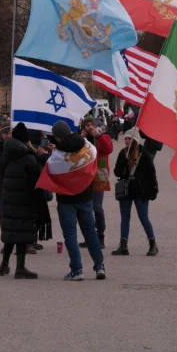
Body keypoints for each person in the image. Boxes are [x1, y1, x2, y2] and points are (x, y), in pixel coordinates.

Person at [50, 120, 106, 281]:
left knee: (70, 234)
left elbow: (52, 170)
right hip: (85, 195)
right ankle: (100, 266)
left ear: (58, 138)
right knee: (90, 232)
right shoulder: (86, 145)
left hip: (67, 199)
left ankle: (77, 270)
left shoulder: (58, 154)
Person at [0, 122, 39, 279]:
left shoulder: (6, 153)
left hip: (8, 197)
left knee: (11, 232)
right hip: (23, 199)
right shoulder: (28, 157)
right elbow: (36, 179)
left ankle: (4, 264)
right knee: (21, 233)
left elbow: (0, 172)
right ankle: (20, 267)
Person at [111, 130, 161, 256]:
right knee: (125, 217)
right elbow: (117, 172)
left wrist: (153, 189)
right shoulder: (123, 153)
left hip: (140, 190)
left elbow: (151, 173)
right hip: (126, 189)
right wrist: (122, 164)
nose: (127, 141)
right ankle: (123, 245)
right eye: (126, 138)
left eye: (130, 139)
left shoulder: (144, 154)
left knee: (143, 217)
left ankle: (153, 244)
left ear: (136, 141)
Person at [80, 118, 113, 249]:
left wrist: (98, 136)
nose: (89, 127)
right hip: (85, 177)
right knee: (85, 208)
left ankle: (100, 236)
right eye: (87, 125)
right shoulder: (82, 140)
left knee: (97, 208)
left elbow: (108, 149)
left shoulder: (104, 137)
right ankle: (89, 237)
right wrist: (79, 139)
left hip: (99, 176)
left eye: (91, 125)